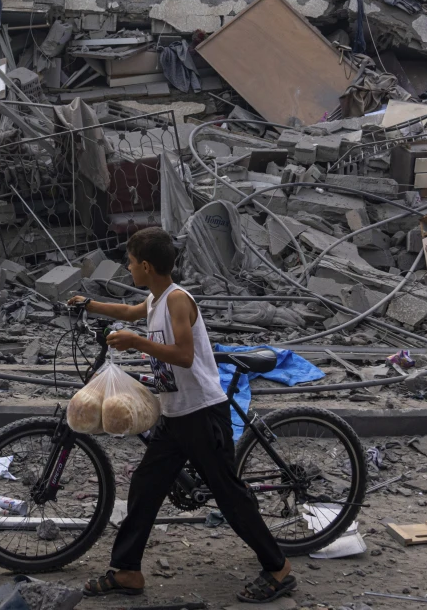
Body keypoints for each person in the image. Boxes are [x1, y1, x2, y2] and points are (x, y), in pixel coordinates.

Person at [67, 227, 295, 603]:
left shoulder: (177, 300)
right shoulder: (156, 299)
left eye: (129, 263)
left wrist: (136, 341)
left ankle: (279, 569)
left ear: (145, 265)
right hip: (176, 415)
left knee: (229, 495)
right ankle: (127, 572)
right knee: (145, 486)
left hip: (202, 414)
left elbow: (184, 354)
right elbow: (129, 311)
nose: (127, 269)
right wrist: (89, 304)